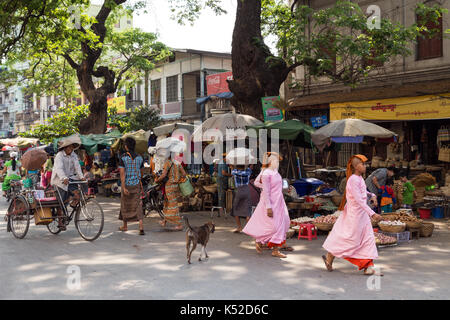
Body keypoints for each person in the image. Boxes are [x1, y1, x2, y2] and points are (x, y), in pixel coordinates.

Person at [322, 154, 383, 276]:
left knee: (367, 239)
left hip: (362, 216)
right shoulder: (352, 180)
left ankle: (368, 267)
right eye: (362, 164)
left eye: (365, 164)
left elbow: (363, 191)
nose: (365, 166)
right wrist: (372, 213)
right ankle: (330, 258)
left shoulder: (359, 179)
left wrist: (372, 195)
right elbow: (359, 200)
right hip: (354, 216)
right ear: (356, 166)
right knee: (350, 240)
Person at [243, 152, 292, 258]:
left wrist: (271, 153)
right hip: (270, 202)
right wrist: (268, 207)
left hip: (279, 202)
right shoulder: (265, 173)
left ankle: (269, 246)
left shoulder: (275, 171)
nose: (278, 162)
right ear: (271, 162)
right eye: (276, 161)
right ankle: (263, 242)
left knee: (284, 223)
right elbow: (264, 190)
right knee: (274, 227)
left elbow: (280, 157)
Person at [51, 138, 85, 230]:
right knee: (61, 202)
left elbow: (77, 167)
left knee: (78, 193)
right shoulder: (59, 156)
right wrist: (63, 177)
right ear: (65, 148)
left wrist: (81, 176)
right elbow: (59, 168)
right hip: (59, 180)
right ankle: (60, 221)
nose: (71, 149)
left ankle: (73, 203)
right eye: (69, 147)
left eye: (72, 147)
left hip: (70, 178)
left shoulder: (74, 155)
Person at [118, 137, 145, 235]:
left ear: (126, 146)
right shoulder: (140, 157)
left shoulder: (123, 157)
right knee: (138, 205)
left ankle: (125, 226)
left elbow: (122, 174)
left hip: (127, 185)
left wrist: (124, 187)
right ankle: (141, 227)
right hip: (136, 184)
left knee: (125, 205)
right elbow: (141, 173)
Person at [155, 155, 187, 231]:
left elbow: (163, 175)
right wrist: (178, 179)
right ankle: (164, 221)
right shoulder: (178, 160)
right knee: (168, 203)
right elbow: (184, 174)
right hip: (176, 186)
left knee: (173, 205)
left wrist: (157, 180)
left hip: (169, 186)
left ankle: (179, 224)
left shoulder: (168, 162)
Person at [230, 164, 253, 233]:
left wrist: (232, 166)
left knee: (236, 209)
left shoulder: (234, 171)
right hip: (247, 190)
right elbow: (250, 167)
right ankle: (249, 229)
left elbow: (232, 169)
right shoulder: (248, 171)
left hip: (239, 191)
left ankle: (239, 227)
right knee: (247, 210)